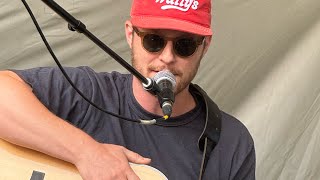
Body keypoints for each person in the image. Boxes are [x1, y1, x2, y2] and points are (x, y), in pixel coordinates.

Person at [0, 0, 255, 179]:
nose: (167, 57)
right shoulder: (89, 91)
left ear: (205, 45)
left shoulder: (230, 143)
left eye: (184, 45)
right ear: (130, 34)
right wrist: (86, 152)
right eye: (153, 41)